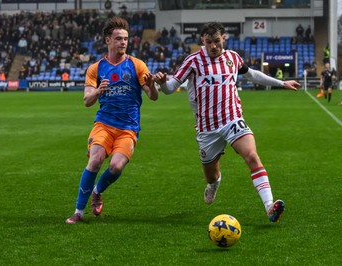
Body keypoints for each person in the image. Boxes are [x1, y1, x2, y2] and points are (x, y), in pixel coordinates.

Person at [154, 22, 300, 223]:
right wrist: (162, 83)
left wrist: (281, 83)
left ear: (223, 39)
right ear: (202, 41)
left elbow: (251, 74)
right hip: (207, 128)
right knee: (211, 176)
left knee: (252, 156)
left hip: (232, 119)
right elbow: (170, 88)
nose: (213, 46)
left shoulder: (233, 57)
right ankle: (214, 184)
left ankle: (269, 207)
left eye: (216, 41)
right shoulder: (193, 61)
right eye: (208, 42)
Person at [65, 16, 159, 224]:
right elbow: (87, 101)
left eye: (125, 38)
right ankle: (78, 212)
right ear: (108, 40)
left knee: (116, 167)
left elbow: (153, 96)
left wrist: (151, 85)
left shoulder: (137, 65)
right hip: (104, 125)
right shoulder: (96, 69)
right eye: (118, 38)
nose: (123, 42)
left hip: (128, 128)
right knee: (95, 160)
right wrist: (98, 91)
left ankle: (97, 191)